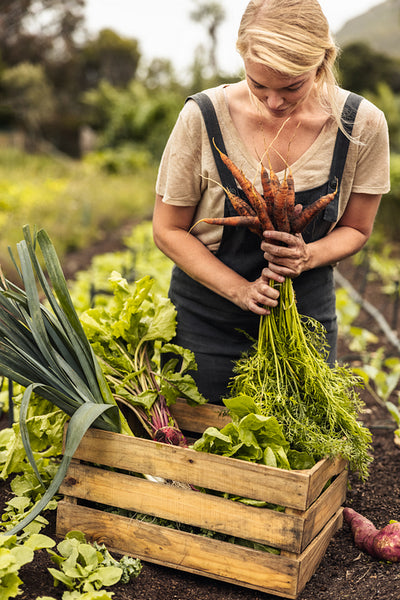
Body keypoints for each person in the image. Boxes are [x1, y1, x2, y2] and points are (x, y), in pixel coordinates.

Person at [152, 0, 390, 404]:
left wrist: (306, 255)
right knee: (201, 452)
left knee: (305, 447)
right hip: (206, 323)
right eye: (258, 84)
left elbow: (357, 229)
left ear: (322, 62)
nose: (274, 102)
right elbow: (167, 229)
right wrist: (241, 291)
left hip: (305, 319)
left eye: (291, 87)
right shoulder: (202, 116)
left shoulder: (361, 124)